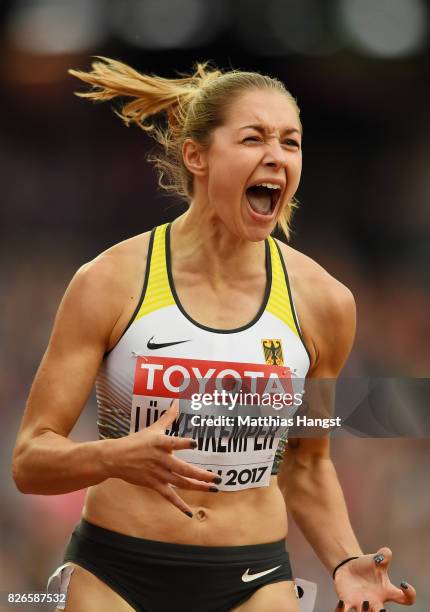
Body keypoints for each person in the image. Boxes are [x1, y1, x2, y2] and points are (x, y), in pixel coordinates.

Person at [12, 58, 416, 612]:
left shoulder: (325, 303)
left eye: (291, 143)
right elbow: (30, 459)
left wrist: (346, 561)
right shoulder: (110, 281)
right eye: (253, 138)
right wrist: (114, 457)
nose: (276, 155)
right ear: (196, 156)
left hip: (254, 576)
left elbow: (307, 462)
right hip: (117, 571)